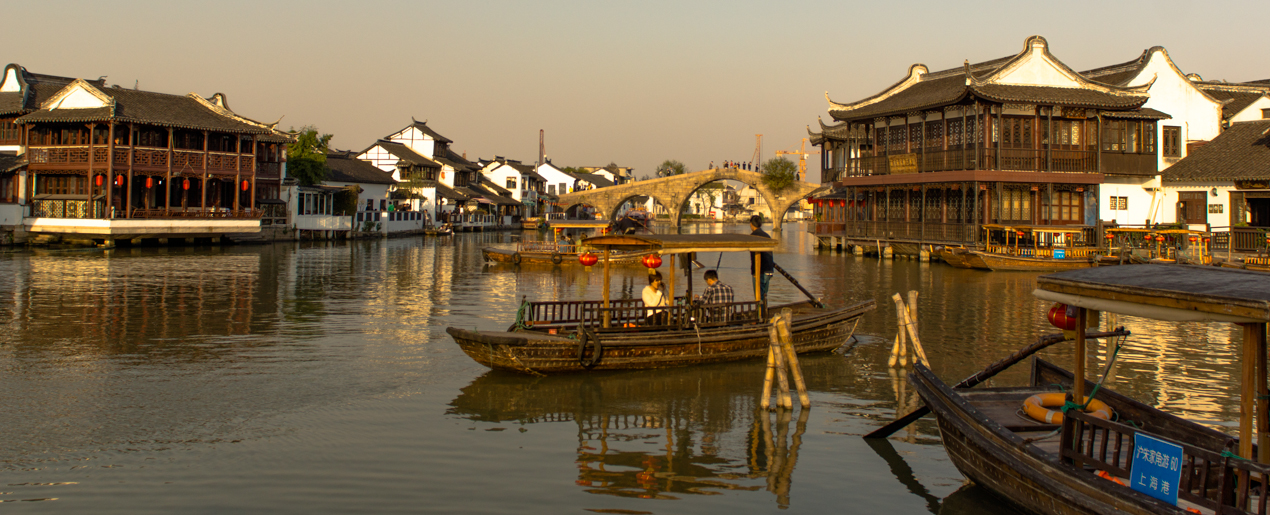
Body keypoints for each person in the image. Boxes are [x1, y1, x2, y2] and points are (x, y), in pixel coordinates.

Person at [749, 215, 774, 303]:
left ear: (751, 224)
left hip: (760, 271)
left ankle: (760, 315)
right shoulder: (766, 235)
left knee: (759, 297)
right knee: (764, 295)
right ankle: (764, 313)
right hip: (769, 270)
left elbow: (754, 256)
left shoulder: (753, 237)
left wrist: (754, 272)